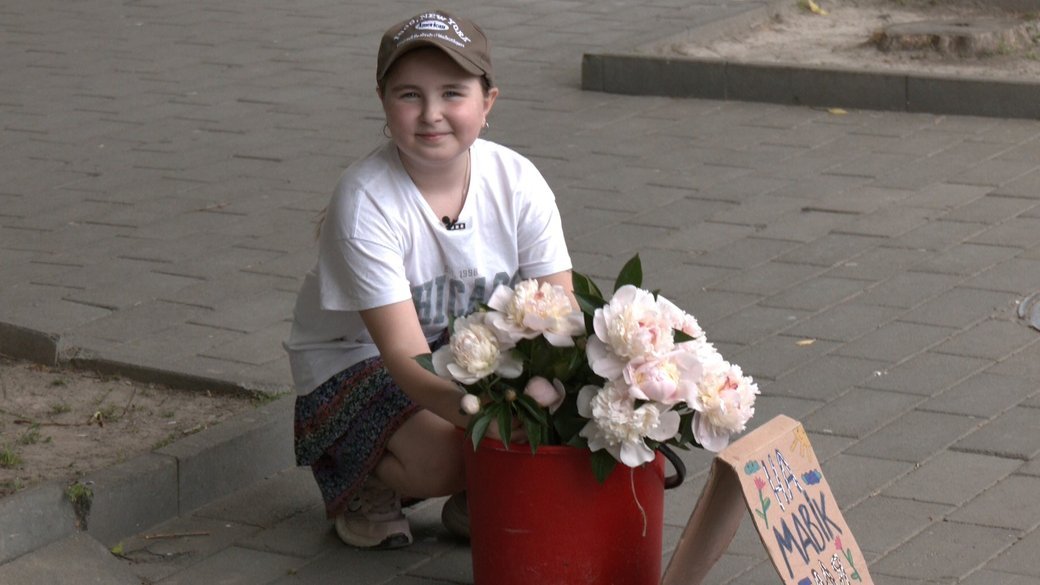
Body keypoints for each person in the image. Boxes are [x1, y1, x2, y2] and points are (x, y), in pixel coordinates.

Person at [284, 9, 574, 550]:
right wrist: (492, 420)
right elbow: (402, 356)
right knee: (452, 454)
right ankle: (364, 481)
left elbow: (560, 312)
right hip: (357, 358)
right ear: (382, 100)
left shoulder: (518, 180)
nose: (431, 114)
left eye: (452, 93)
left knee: (555, 406)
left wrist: (551, 402)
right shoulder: (366, 197)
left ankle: (478, 491)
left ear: (488, 102)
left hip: (459, 348)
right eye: (410, 94)